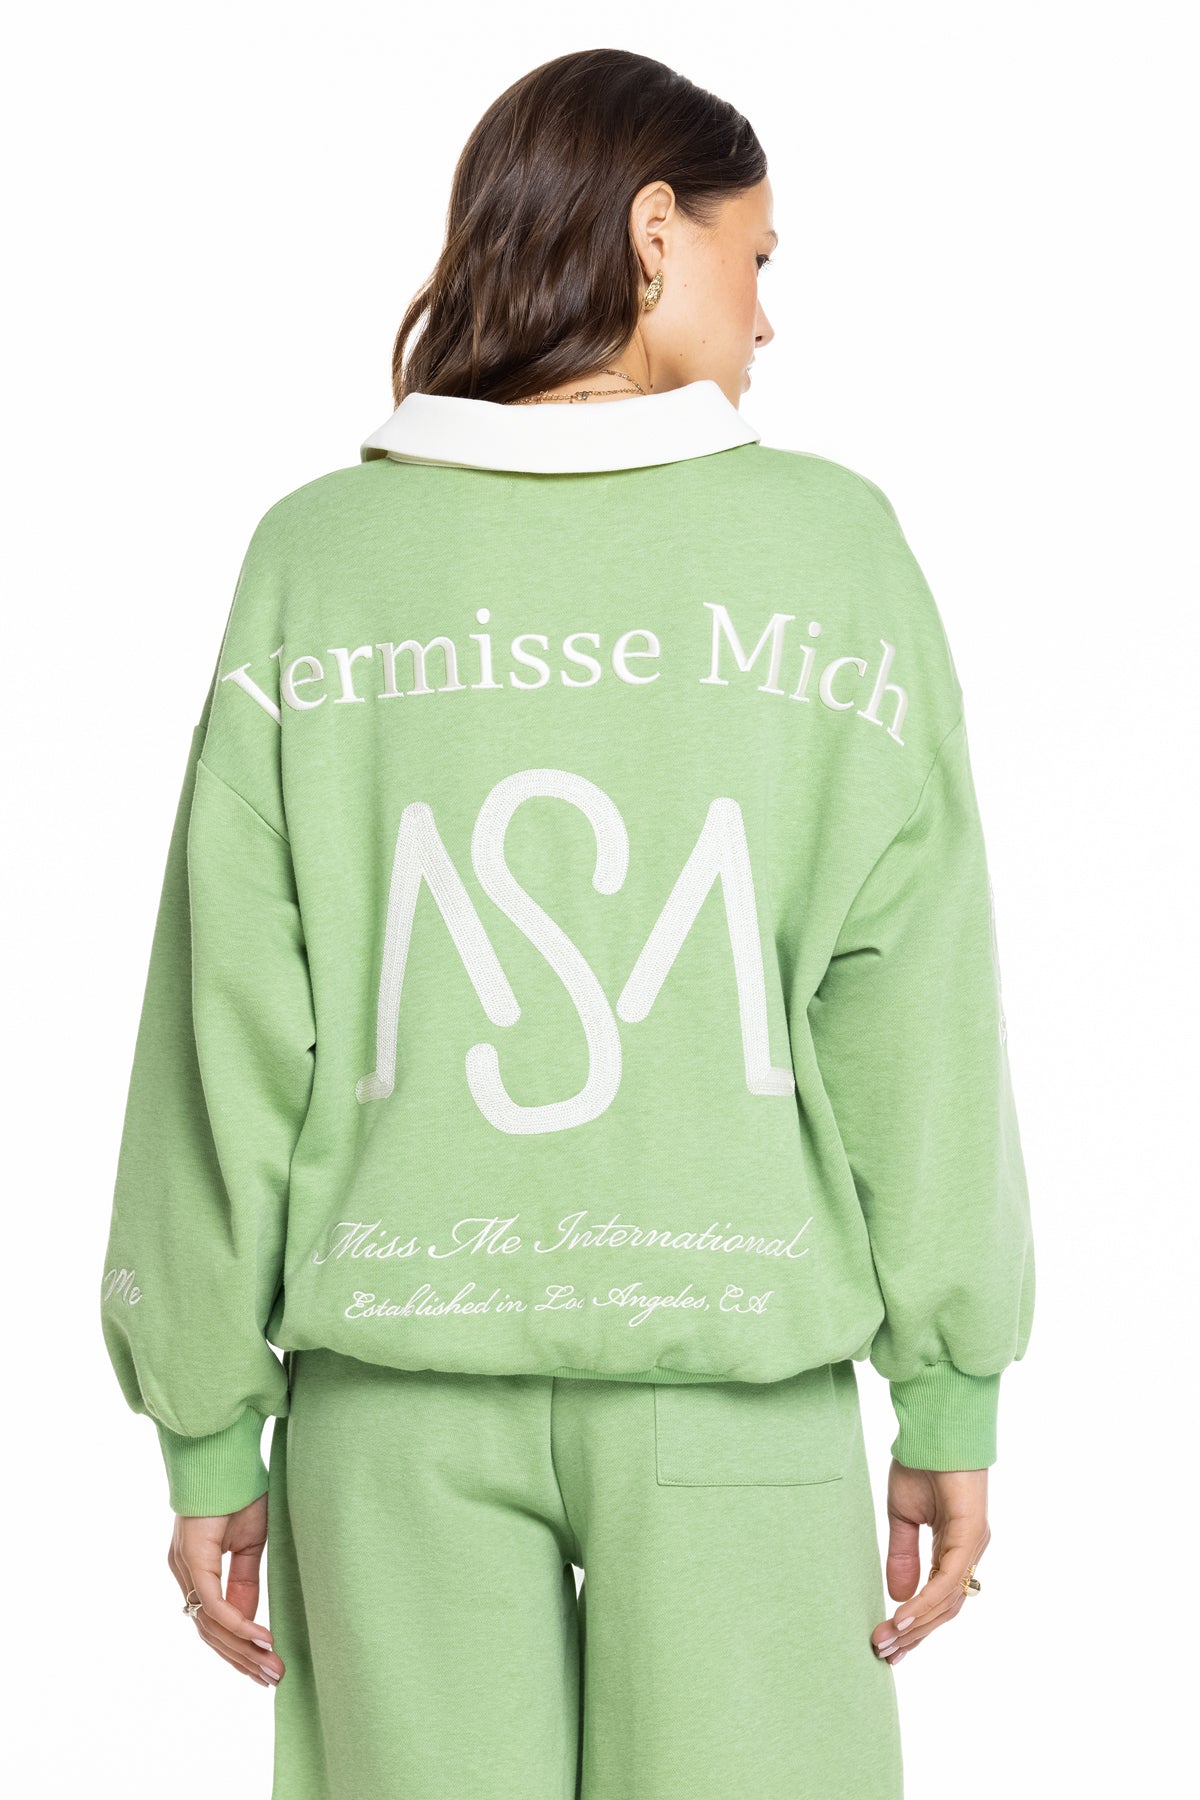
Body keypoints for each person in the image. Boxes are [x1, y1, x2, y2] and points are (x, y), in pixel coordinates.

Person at [99, 46, 1035, 1800]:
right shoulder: (834, 554)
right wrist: (948, 1385)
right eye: (759, 259)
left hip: (392, 1407)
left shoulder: (319, 557)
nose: (769, 317)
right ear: (656, 232)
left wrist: (206, 1419)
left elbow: (228, 1013)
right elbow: (912, 1009)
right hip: (734, 1382)